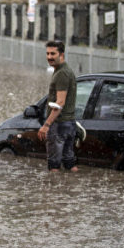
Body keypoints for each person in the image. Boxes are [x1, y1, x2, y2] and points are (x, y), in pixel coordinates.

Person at [37, 40, 78, 172]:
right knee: (69, 162)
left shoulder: (61, 74)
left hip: (59, 124)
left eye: (53, 54)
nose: (49, 57)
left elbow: (60, 102)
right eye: (47, 53)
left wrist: (46, 125)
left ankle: (54, 185)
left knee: (54, 165)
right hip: (69, 123)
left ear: (61, 54)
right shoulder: (66, 71)